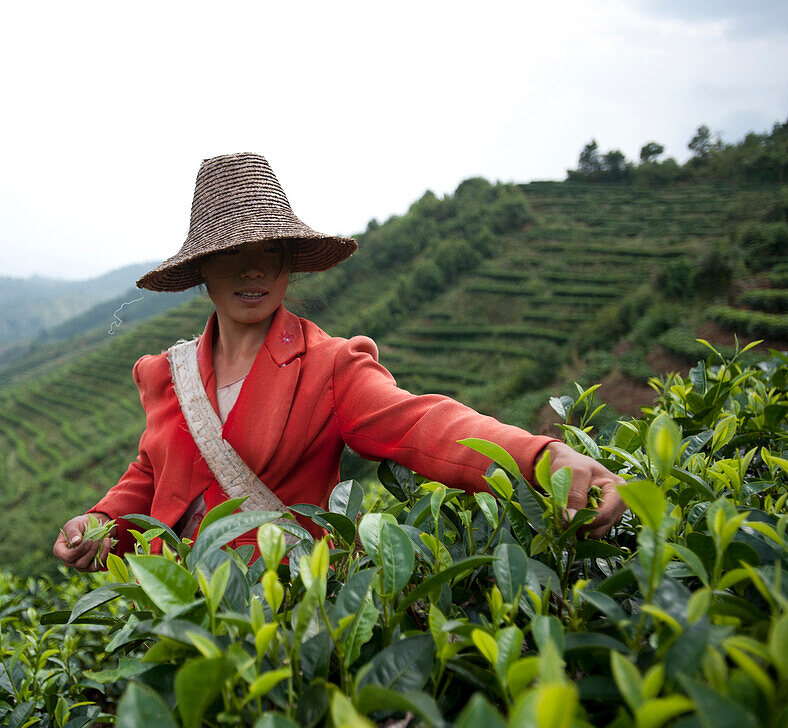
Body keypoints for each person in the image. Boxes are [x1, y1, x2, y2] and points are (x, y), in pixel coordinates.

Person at [54, 153, 626, 572]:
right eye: (233, 254)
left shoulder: (329, 367)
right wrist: (98, 523)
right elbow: (152, 477)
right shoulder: (165, 374)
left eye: (269, 254)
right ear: (204, 267)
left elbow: (424, 426)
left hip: (281, 614)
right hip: (173, 612)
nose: (254, 271)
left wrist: (539, 458)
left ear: (289, 264)